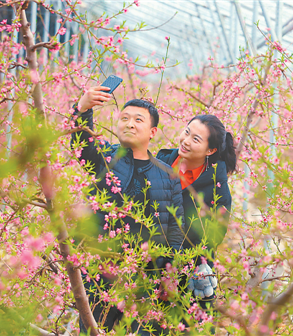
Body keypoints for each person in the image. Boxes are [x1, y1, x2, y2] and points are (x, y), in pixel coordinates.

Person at [71, 86, 184, 335]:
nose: (129, 124)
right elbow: (82, 145)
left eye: (138, 120)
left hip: (146, 278)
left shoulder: (168, 176)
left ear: (152, 132)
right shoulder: (104, 158)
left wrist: (169, 271)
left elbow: (175, 229)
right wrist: (83, 108)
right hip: (100, 275)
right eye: (124, 118)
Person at [156, 114, 235, 309]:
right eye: (187, 132)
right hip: (151, 260)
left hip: (191, 269)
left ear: (210, 150)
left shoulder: (217, 185)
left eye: (195, 139)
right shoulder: (162, 160)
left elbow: (214, 234)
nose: (186, 141)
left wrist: (180, 267)